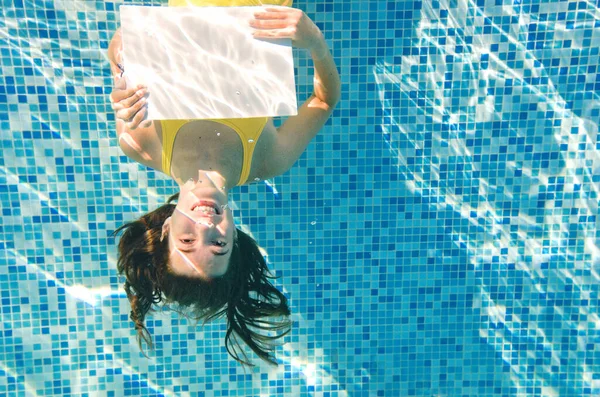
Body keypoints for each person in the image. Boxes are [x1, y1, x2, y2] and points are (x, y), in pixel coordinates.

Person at [108, 0, 340, 366]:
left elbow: (119, 41)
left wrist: (124, 67)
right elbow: (325, 100)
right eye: (218, 242)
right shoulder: (268, 159)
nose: (206, 224)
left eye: (187, 239)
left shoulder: (138, 143)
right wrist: (314, 42)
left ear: (167, 227)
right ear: (234, 236)